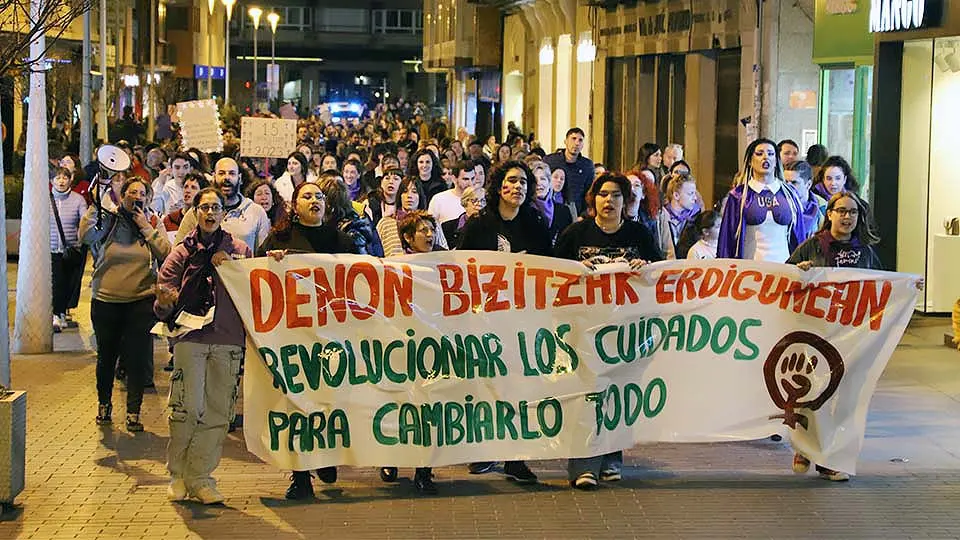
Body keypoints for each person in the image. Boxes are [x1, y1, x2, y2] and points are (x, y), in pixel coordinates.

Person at [554, 172, 662, 489]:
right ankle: (583, 465)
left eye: (616, 195)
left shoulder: (639, 233)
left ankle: (612, 459)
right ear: (593, 199)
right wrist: (573, 270)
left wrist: (647, 268)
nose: (609, 200)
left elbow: (661, 273)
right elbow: (551, 273)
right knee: (587, 394)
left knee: (617, 392)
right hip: (584, 330)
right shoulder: (576, 234)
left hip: (626, 331)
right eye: (603, 194)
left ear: (625, 201)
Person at [257, 182, 358, 501]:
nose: (314, 201)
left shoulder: (341, 240)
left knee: (329, 401)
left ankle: (325, 457)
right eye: (307, 196)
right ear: (294, 205)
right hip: (293, 336)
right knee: (295, 405)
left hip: (332, 336)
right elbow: (257, 277)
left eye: (319, 196)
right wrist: (271, 262)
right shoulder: (280, 238)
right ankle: (300, 476)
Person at [155, 187, 252, 505]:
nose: (211, 213)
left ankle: (201, 477)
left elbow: (255, 287)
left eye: (217, 207)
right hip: (190, 339)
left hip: (227, 340)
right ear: (195, 212)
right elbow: (164, 292)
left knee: (217, 413)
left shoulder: (239, 250)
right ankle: (178, 474)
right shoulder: (182, 253)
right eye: (205, 207)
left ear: (224, 213)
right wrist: (165, 301)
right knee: (187, 408)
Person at [457, 160, 548, 485]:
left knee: (519, 386)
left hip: (523, 319)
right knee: (486, 385)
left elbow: (549, 266)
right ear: (499, 186)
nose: (519, 187)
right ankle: (483, 449)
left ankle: (516, 457)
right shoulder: (480, 225)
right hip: (484, 319)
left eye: (524, 182)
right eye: (512, 181)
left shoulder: (535, 222)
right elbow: (461, 268)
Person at [785, 191, 883, 482]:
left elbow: (882, 284)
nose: (847, 217)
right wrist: (798, 272)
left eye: (853, 212)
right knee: (813, 393)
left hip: (850, 335)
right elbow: (783, 277)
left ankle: (828, 458)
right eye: (842, 211)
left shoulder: (865, 252)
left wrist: (909, 285)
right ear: (829, 214)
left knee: (840, 396)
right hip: (816, 331)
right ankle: (806, 448)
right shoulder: (812, 246)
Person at [80, 176, 171, 431]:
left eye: (142, 193)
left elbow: (166, 252)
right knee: (106, 356)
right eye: (131, 192)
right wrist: (96, 205)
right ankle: (104, 405)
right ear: (122, 196)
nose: (136, 197)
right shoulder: (109, 219)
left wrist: (145, 226)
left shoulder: (152, 221)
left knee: (136, 358)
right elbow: (85, 236)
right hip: (106, 299)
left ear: (148, 198)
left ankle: (133, 412)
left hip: (141, 300)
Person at [718, 138, 807, 262]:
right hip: (751, 270)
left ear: (776, 160)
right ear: (750, 161)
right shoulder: (738, 196)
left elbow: (800, 234)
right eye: (759, 154)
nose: (766, 157)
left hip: (785, 269)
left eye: (771, 154)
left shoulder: (790, 194)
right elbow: (727, 238)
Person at [176, 158, 272, 255]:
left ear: (240, 178)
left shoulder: (256, 212)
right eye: (221, 173)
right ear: (214, 177)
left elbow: (262, 255)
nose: (226, 178)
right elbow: (178, 250)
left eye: (232, 173)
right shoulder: (197, 211)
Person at [50, 167, 88, 332]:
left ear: (70, 180)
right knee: (56, 282)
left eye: (64, 178)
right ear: (52, 181)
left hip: (71, 249)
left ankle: (62, 312)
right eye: (58, 178)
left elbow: (84, 221)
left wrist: (81, 238)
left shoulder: (78, 200)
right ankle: (56, 314)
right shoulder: (45, 199)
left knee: (68, 283)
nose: (61, 181)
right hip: (51, 249)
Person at [316, 172, 384, 256]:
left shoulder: (354, 227)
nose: (314, 202)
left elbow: (363, 261)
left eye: (318, 197)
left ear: (328, 202)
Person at [377, 176, 447, 256]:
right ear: (399, 196)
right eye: (405, 192)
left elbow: (444, 255)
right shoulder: (385, 223)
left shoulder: (431, 223)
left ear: (420, 196)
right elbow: (374, 250)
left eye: (414, 192)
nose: (409, 196)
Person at [543, 127, 594, 214]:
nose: (577, 143)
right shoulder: (550, 160)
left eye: (580, 140)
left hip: (576, 212)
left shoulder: (587, 165)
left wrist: (583, 215)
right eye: (573, 139)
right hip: (551, 209)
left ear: (583, 145)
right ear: (566, 141)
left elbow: (589, 192)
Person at [625, 169, 673, 259]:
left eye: (636, 185)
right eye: (628, 186)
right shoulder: (615, 220)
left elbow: (667, 254)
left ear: (643, 194)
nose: (632, 189)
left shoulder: (654, 219)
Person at [531, 161, 575, 247]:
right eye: (534, 180)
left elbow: (569, 243)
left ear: (549, 182)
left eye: (543, 179)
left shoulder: (564, 211)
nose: (539, 183)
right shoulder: (524, 210)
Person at [659, 173, 700, 258]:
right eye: (690, 193)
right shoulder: (660, 218)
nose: (695, 198)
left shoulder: (696, 220)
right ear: (676, 195)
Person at [162, 173, 207, 243]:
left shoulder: (205, 220)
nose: (188, 191)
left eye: (193, 188)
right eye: (185, 187)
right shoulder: (169, 220)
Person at [784, 160, 826, 236]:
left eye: (794, 183)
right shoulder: (779, 205)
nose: (788, 187)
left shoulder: (822, 206)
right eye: (785, 182)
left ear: (808, 184)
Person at [427, 160, 475, 224]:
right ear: (454, 178)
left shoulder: (480, 200)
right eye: (465, 179)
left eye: (473, 178)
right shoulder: (438, 199)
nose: (470, 183)